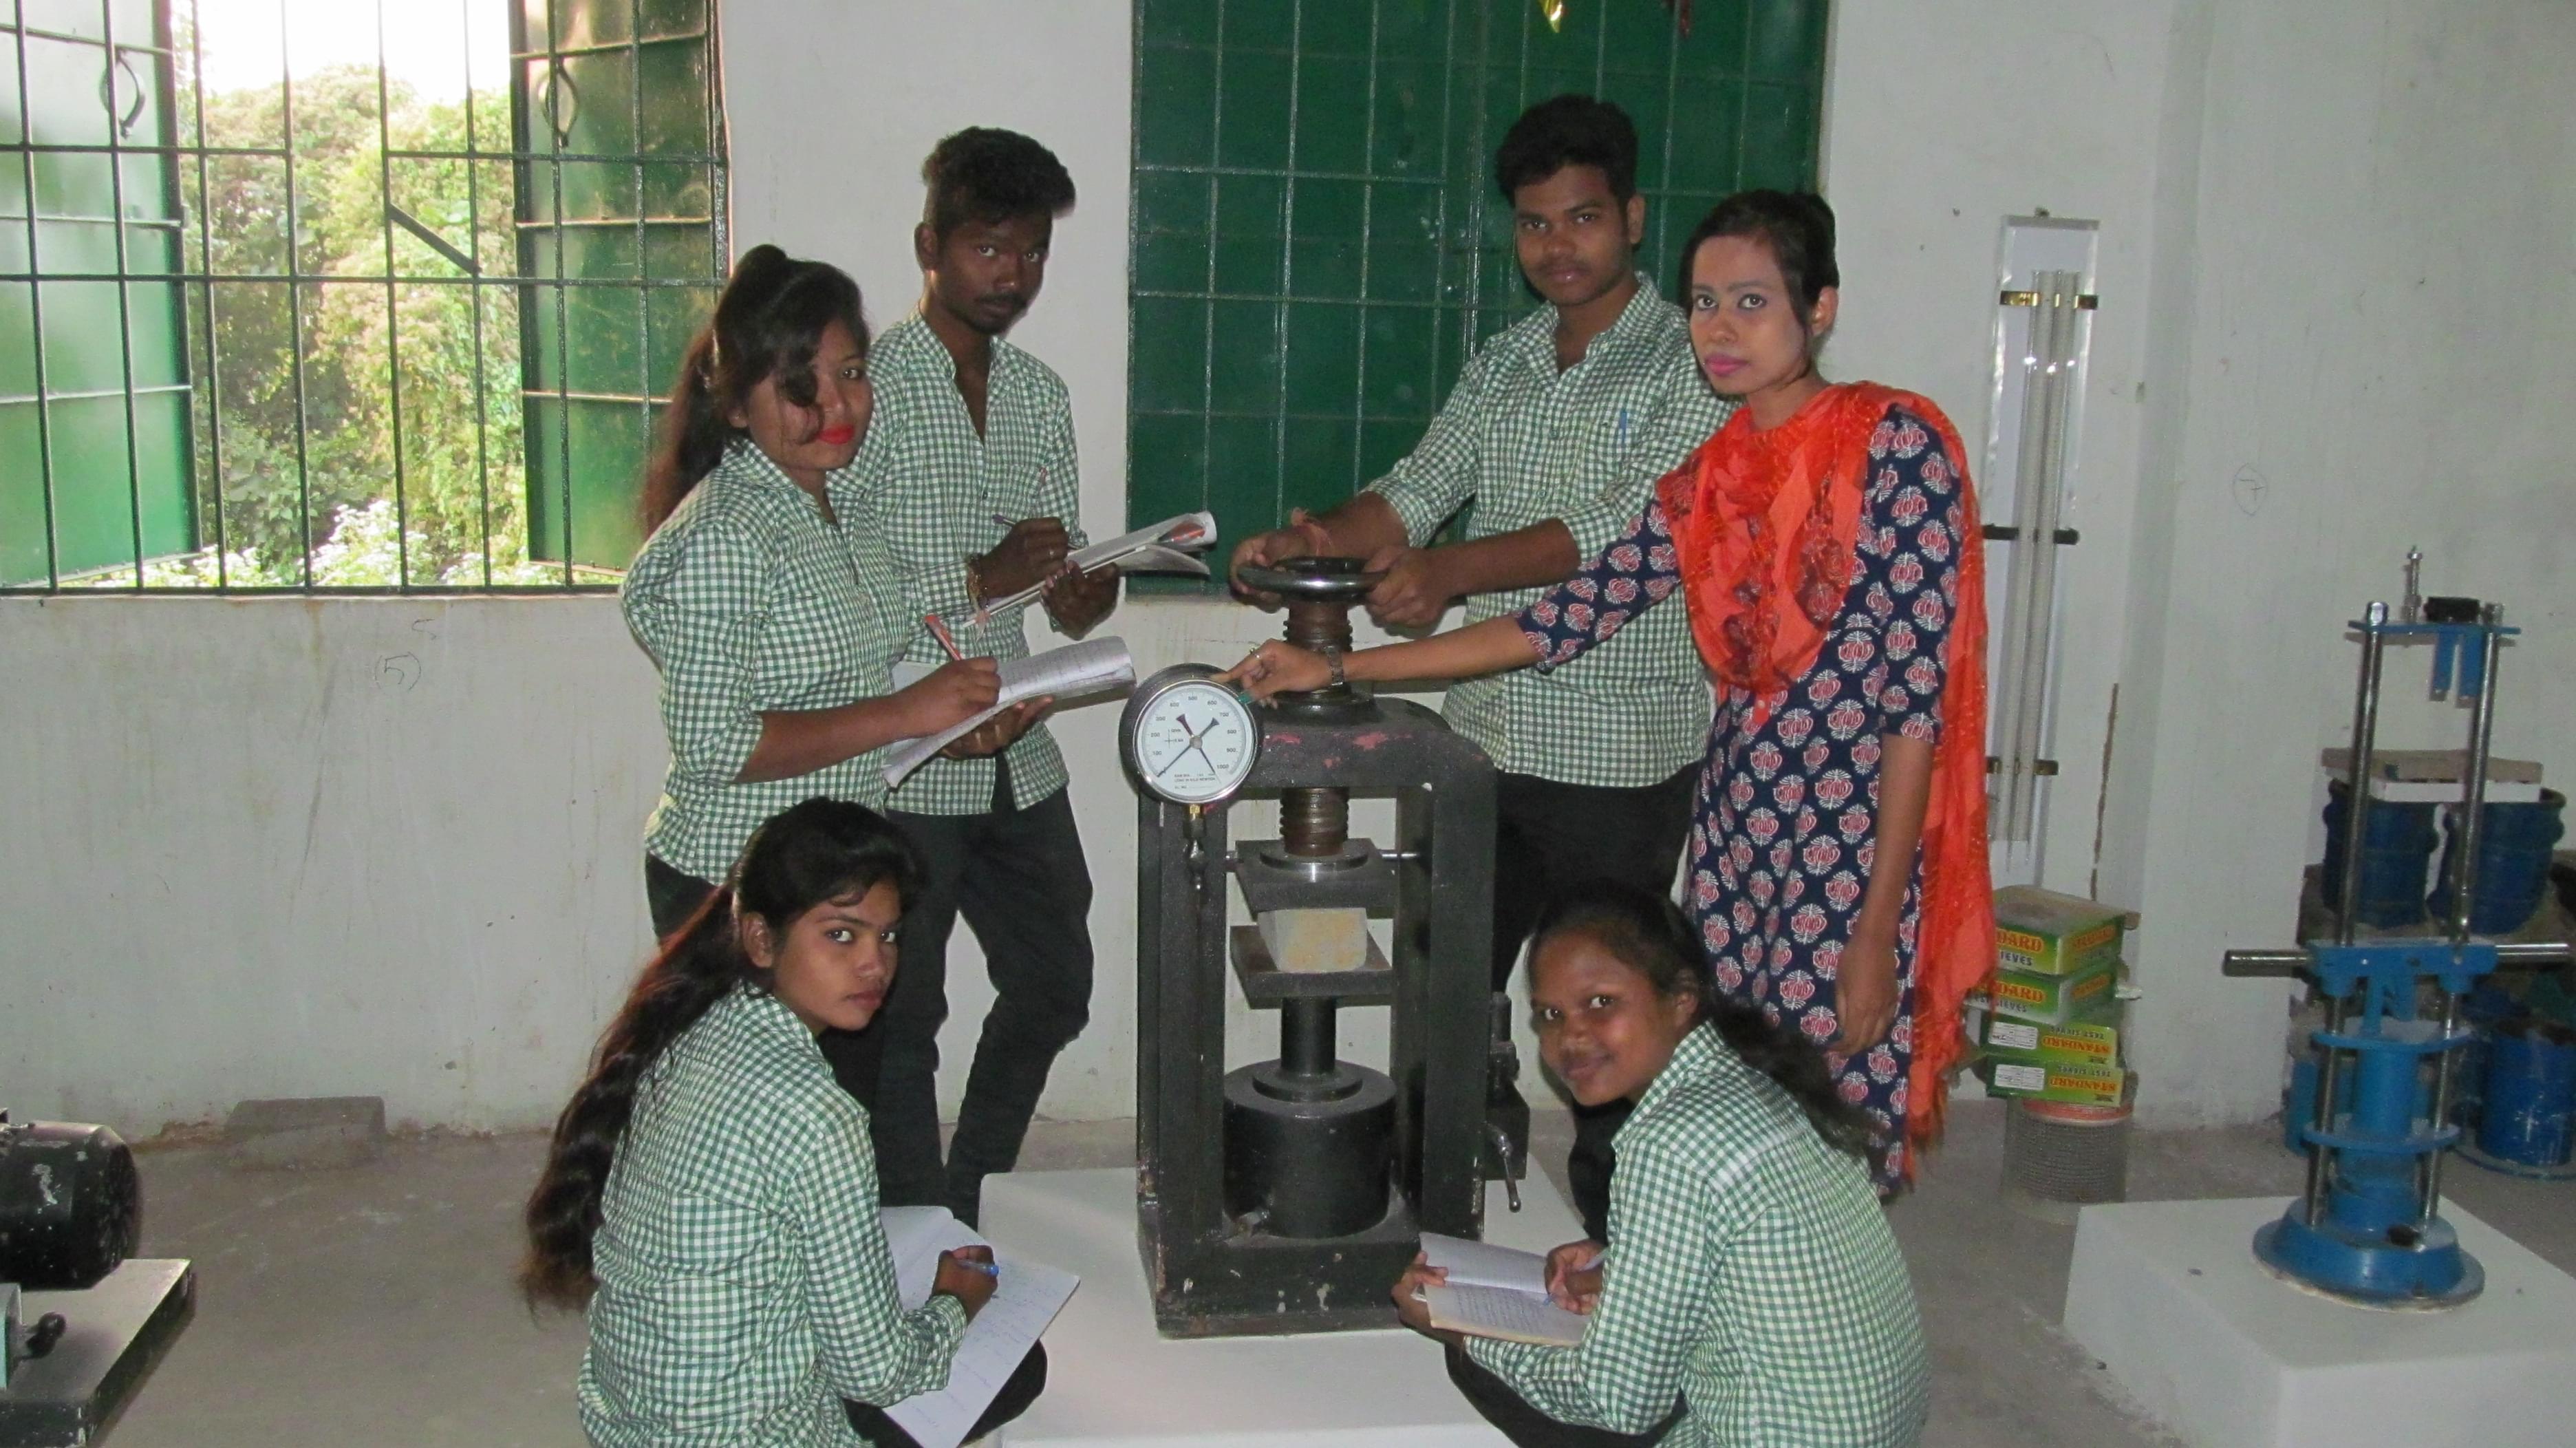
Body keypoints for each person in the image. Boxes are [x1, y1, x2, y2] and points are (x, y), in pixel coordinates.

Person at [1227, 190, 1994, 1193]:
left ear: (1821, 310)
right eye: (1706, 302)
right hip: (1738, 832)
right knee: (1742, 1102)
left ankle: (1811, 1325)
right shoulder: (1710, 477)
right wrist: (1337, 669)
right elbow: (1558, 621)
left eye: (1754, 302)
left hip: (1853, 843)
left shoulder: (1894, 448)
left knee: (1837, 1120)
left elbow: (1911, 710)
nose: (1721, 329)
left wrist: (1875, 925)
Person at [1229, 94, 1730, 1239]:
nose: (1557, 247)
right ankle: (1445, 1209)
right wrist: (1312, 544)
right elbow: (1410, 488)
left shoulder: (1686, 362)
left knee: (1608, 1008)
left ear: (1633, 219)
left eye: (1582, 218)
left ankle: (1627, 1240)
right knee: (1443, 984)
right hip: (1484, 735)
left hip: (1615, 749)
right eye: (1534, 224)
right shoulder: (1503, 361)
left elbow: (1613, 529)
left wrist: (1448, 569)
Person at [519, 798, 1046, 1447]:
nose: (873, 964)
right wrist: (954, 1304)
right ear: (761, 939)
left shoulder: (690, 1031)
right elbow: (877, 1373)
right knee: (1021, 1367)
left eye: (887, 935)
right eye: (841, 934)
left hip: (634, 1424)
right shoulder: (816, 1114)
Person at [835, 127, 1115, 1227]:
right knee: (903, 1011)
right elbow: (847, 577)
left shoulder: (1041, 395)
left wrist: (1083, 592)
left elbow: (1063, 563)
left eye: (1034, 254)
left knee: (1055, 983)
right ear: (930, 246)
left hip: (1019, 744)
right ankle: (912, 1228)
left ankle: (968, 1184)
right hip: (911, 757)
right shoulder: (865, 390)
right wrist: (978, 574)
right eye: (991, 250)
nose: (1015, 276)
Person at [1391, 884, 1929, 1447]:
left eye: (1601, 1002)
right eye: (1550, 1014)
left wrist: (1463, 1333)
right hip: (1872, 1433)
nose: (1569, 1036)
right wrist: (1618, 1262)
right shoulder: (1754, 1083)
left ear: (1681, 999)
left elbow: (1619, 1401)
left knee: (1484, 1368)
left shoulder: (1669, 1141)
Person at [620, 246, 1038, 939]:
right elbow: (714, 745)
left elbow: (863, 659)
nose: (837, 404)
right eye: (799, 385)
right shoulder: (731, 531)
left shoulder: (835, 499)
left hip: (826, 868)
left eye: (850, 372)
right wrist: (904, 711)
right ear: (733, 407)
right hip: (734, 879)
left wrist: (951, 727)